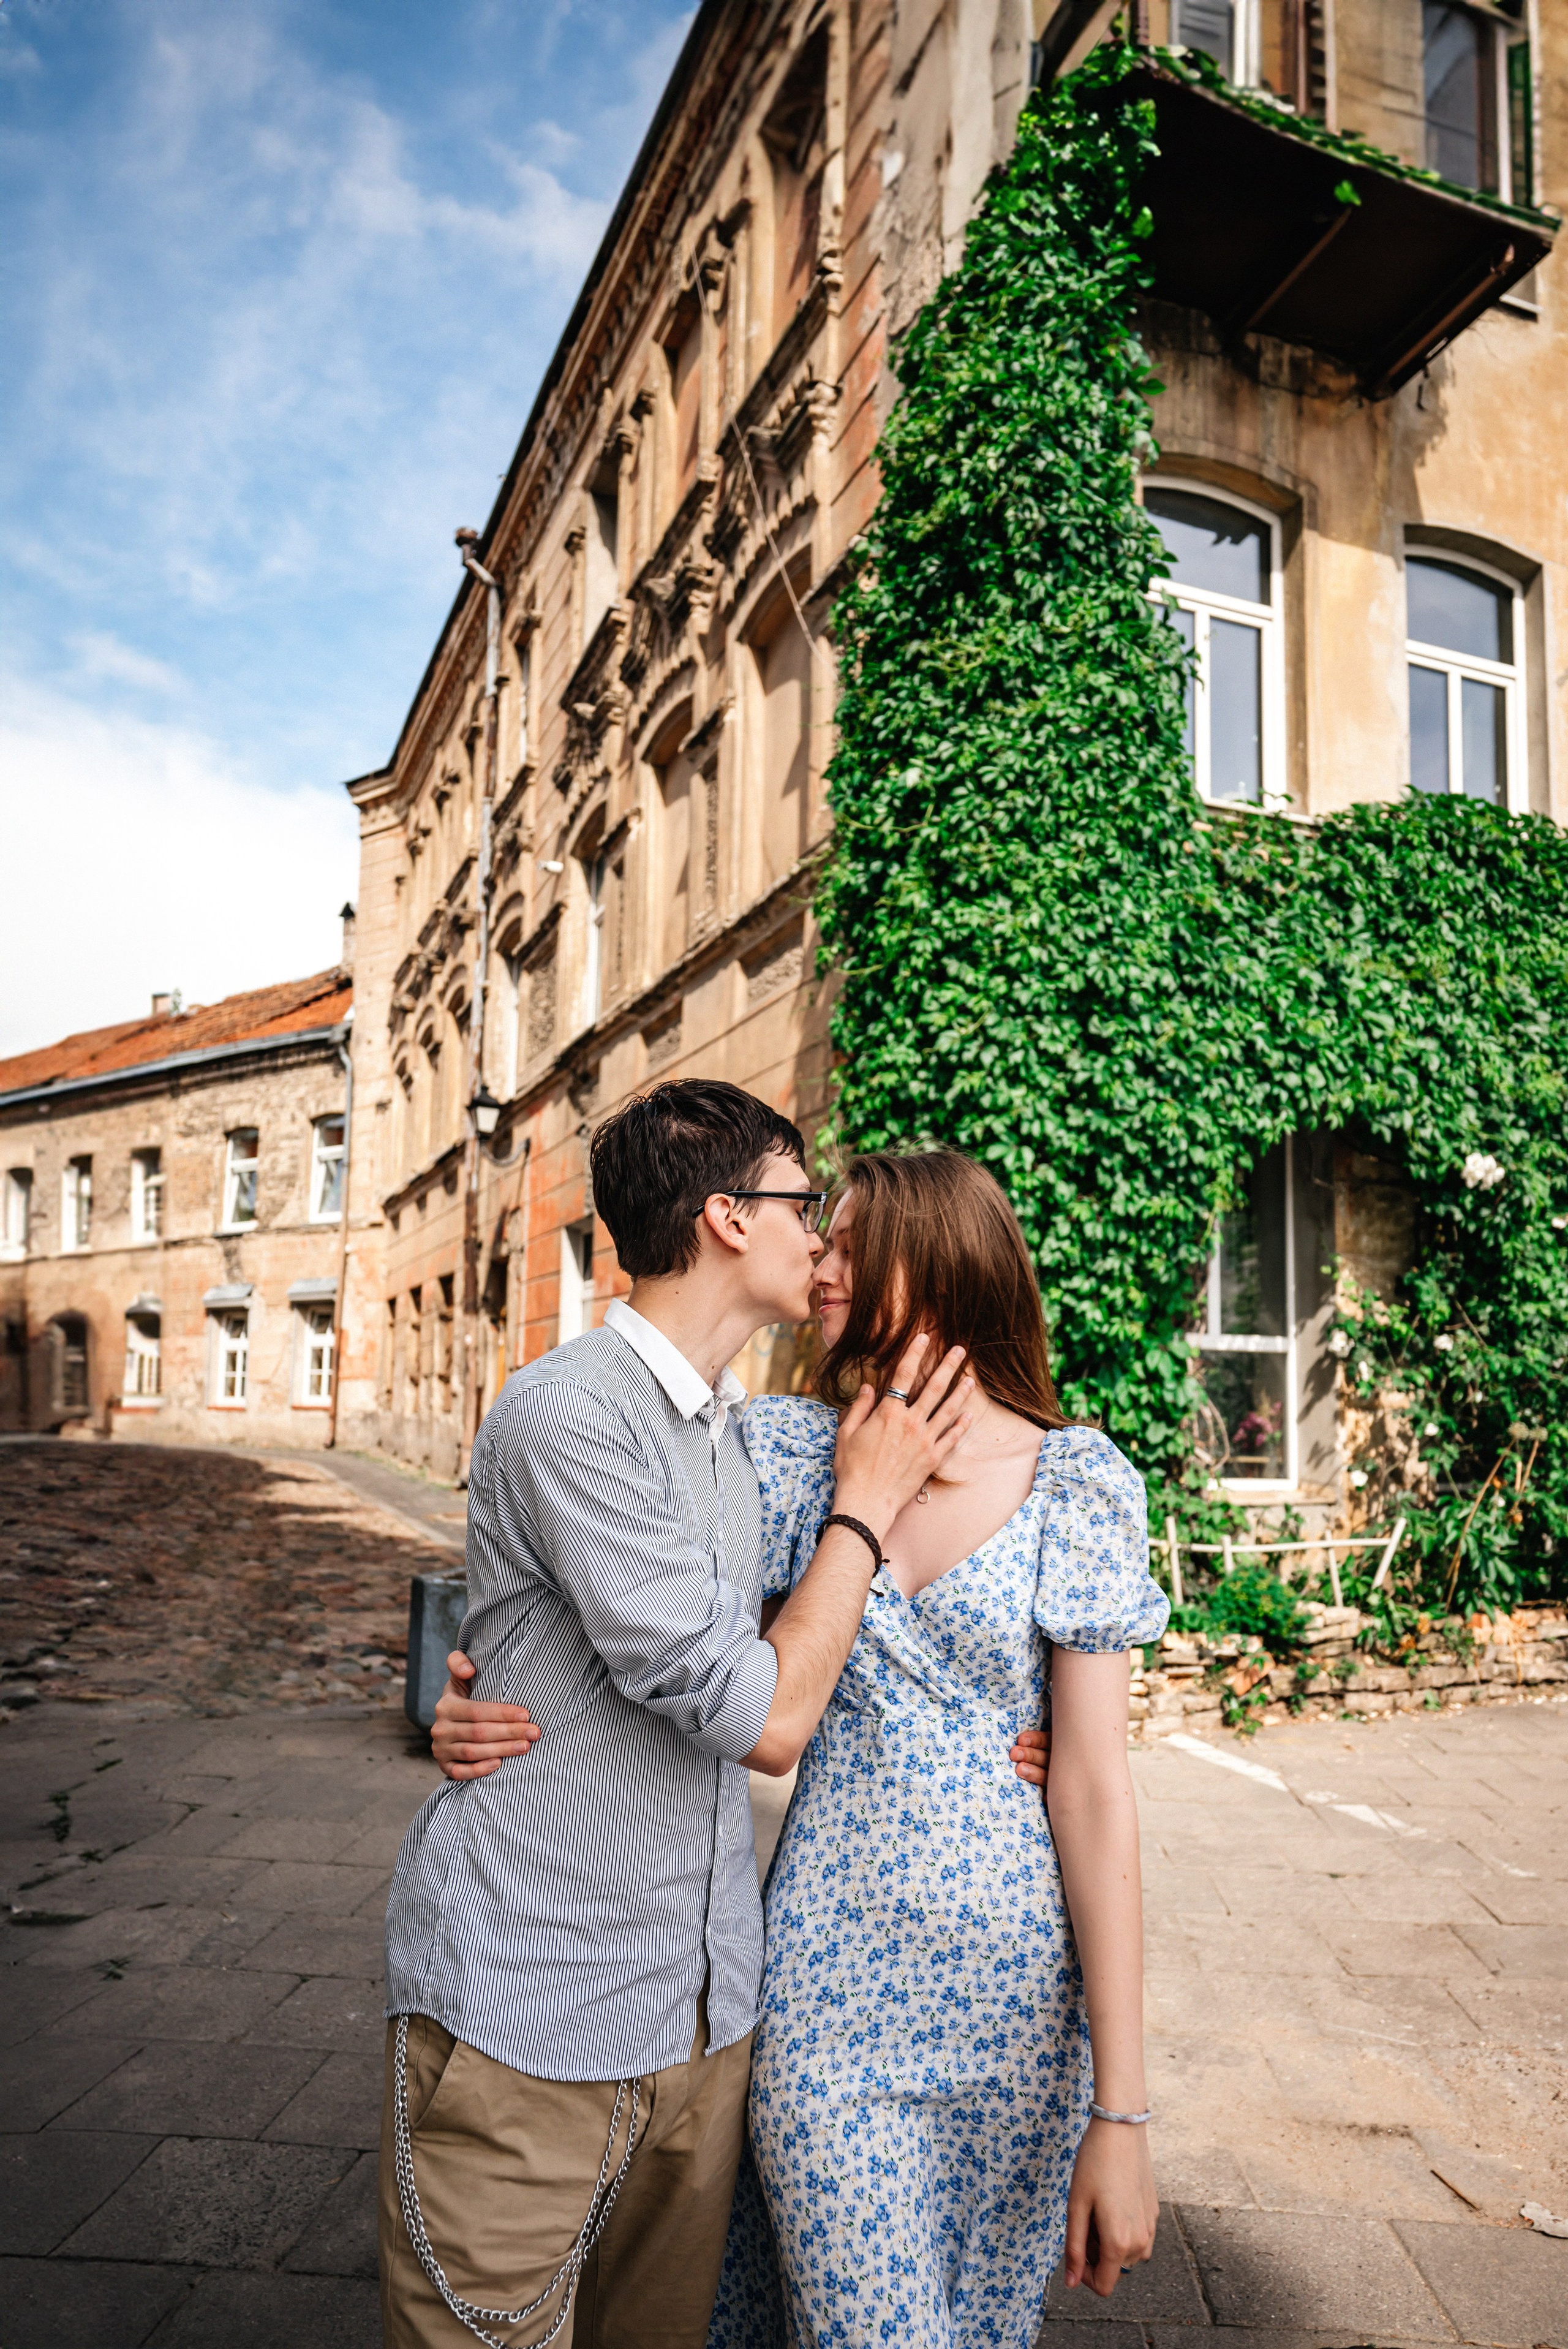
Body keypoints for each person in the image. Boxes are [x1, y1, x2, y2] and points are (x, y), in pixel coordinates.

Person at [434, 1146, 1169, 2349]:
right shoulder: (782, 1455)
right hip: (830, 1989)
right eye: (816, 1233)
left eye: (847, 1241)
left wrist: (1121, 2113)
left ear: (930, 1260)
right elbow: (619, 1601)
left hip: (1023, 2014)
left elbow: (1093, 1791)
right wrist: (469, 1691)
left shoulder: (1076, 1483)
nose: (819, 1262)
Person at [378, 1080, 976, 2349]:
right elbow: (756, 1715)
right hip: (534, 2020)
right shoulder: (569, 1414)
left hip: (702, 2025)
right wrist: (861, 1516)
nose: (819, 1234)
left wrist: (1003, 1738)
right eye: (801, 1202)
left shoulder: (732, 1435)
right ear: (725, 1217)